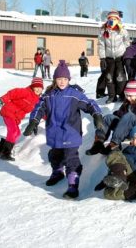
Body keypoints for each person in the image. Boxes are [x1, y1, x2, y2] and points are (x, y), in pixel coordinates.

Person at [23, 60, 103, 199]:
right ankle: (57, 172)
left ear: (69, 80)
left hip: (70, 132)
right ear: (55, 79)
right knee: (55, 155)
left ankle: (73, 185)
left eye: (65, 79)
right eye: (59, 79)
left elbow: (89, 103)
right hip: (55, 132)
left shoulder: (74, 94)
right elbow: (39, 108)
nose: (62, 82)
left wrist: (96, 114)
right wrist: (34, 121)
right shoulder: (49, 95)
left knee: (71, 158)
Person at [85, 80, 136, 156]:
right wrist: (115, 116)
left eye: (131, 96)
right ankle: (98, 143)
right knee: (108, 117)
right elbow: (121, 114)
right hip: (128, 129)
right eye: (127, 95)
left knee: (130, 116)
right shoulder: (127, 102)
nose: (128, 98)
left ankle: (114, 145)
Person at [94, 125, 136, 202]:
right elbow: (117, 165)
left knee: (114, 154)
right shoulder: (128, 149)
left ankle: (120, 177)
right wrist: (105, 181)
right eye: (132, 139)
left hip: (135, 172)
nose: (134, 141)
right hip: (128, 177)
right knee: (108, 193)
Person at [0, 77, 43, 161]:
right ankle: (6, 153)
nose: (38, 89)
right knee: (13, 131)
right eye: (36, 87)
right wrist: (1, 100)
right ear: (32, 86)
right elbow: (12, 93)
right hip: (8, 112)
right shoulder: (25, 92)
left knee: (17, 133)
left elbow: (40, 109)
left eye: (40, 87)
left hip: (16, 117)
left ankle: (0, 149)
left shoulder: (37, 100)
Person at [98, 10, 130, 103]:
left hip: (120, 57)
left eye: (114, 18)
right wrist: (102, 58)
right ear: (107, 19)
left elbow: (127, 42)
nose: (112, 20)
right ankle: (112, 96)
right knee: (109, 77)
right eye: (110, 18)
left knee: (120, 77)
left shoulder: (122, 30)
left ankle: (121, 95)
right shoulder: (103, 31)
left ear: (118, 20)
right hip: (109, 58)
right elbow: (101, 45)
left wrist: (126, 55)